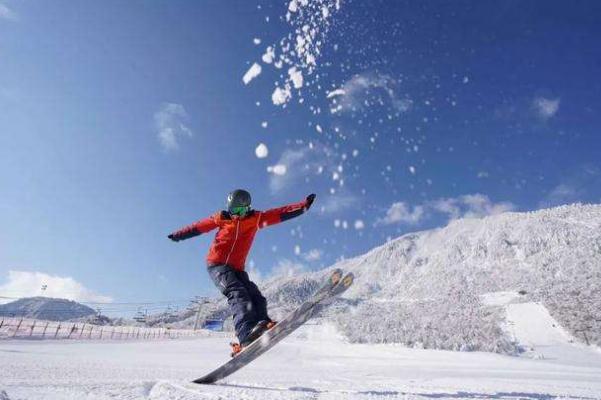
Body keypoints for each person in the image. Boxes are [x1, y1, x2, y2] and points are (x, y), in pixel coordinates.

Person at [168, 189, 316, 354]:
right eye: (233, 211)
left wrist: (303, 206)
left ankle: (263, 324)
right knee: (237, 293)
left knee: (255, 295)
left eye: (240, 211)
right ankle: (245, 335)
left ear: (248, 208)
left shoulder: (256, 218)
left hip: (237, 268)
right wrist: (178, 235)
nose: (236, 215)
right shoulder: (221, 218)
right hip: (217, 265)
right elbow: (198, 227)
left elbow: (279, 214)